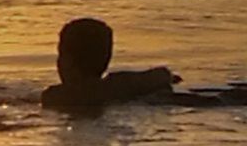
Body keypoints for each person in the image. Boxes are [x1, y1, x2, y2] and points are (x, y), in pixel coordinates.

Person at [41, 17, 180, 116]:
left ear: (67, 62)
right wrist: (169, 78)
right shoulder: (119, 86)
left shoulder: (54, 96)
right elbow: (161, 74)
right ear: (107, 58)